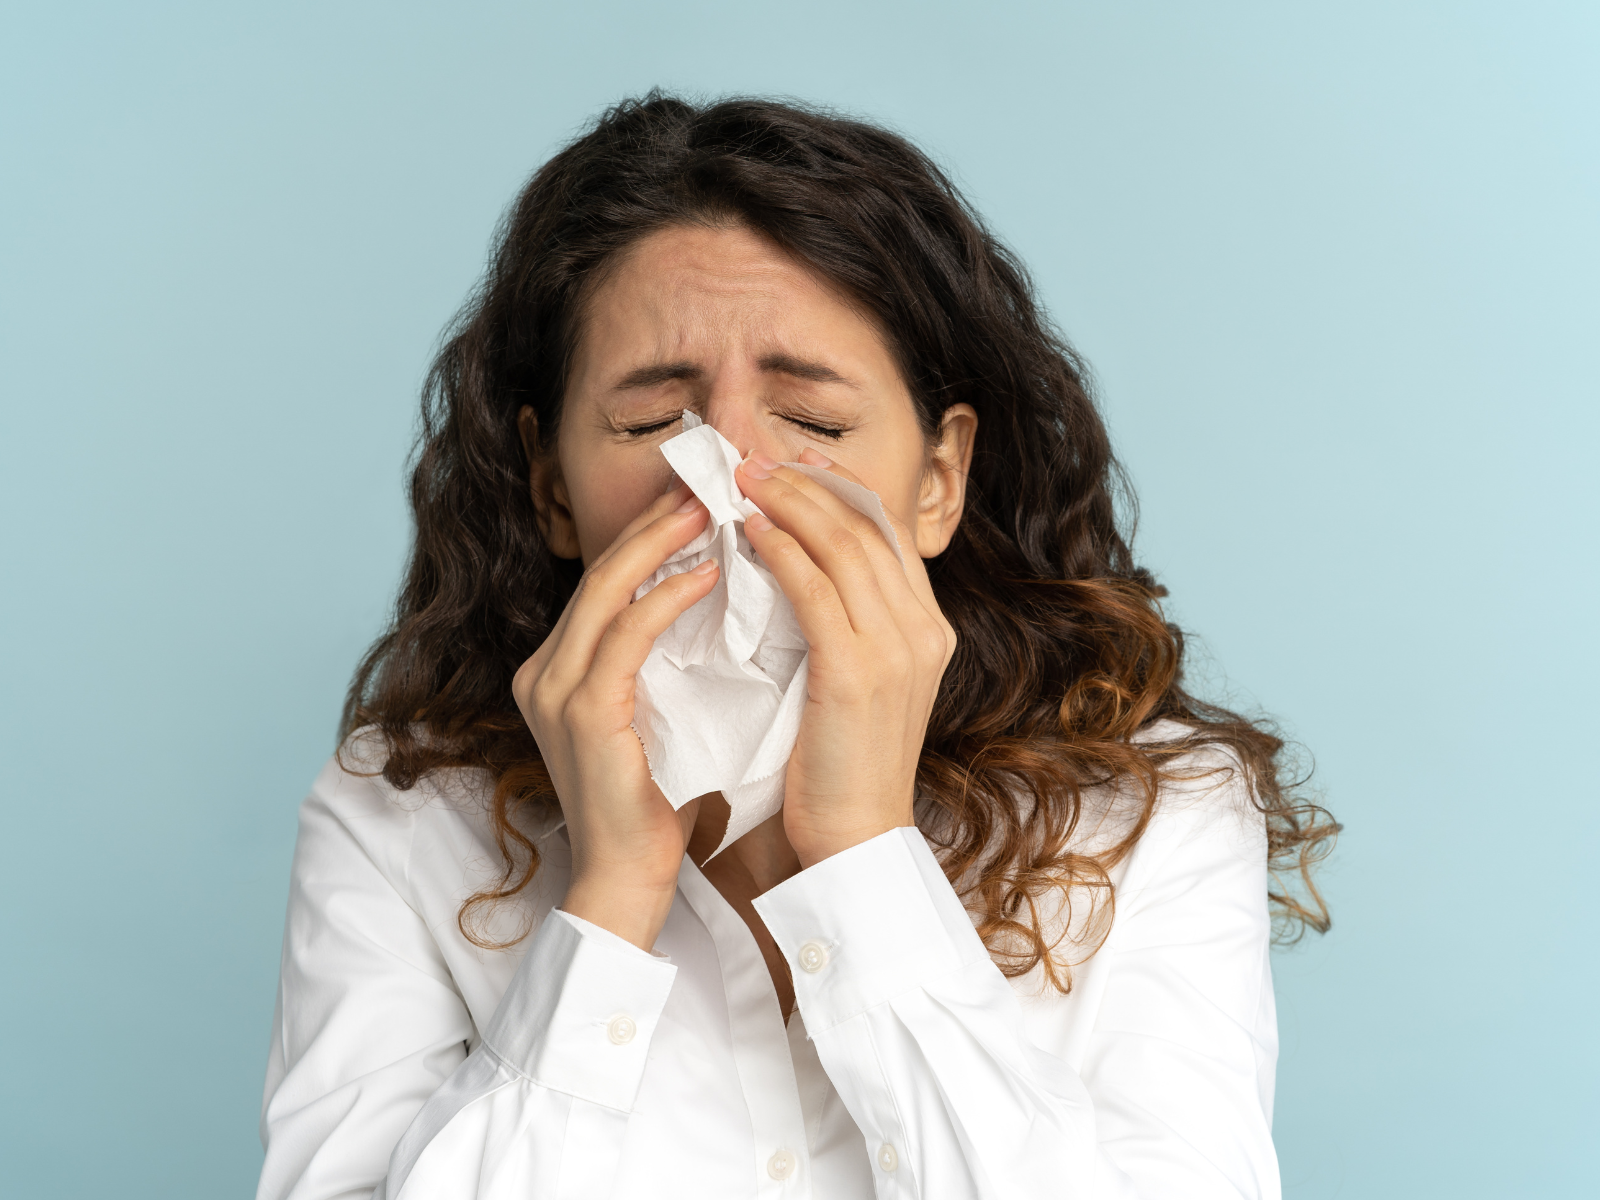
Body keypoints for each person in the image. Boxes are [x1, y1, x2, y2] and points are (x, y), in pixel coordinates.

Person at [256, 93, 1336, 1200]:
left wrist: (865, 857)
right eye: (649, 425)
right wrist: (612, 900)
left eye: (813, 425)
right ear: (552, 489)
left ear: (937, 479)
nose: (723, 485)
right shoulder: (395, 820)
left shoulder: (1157, 813)